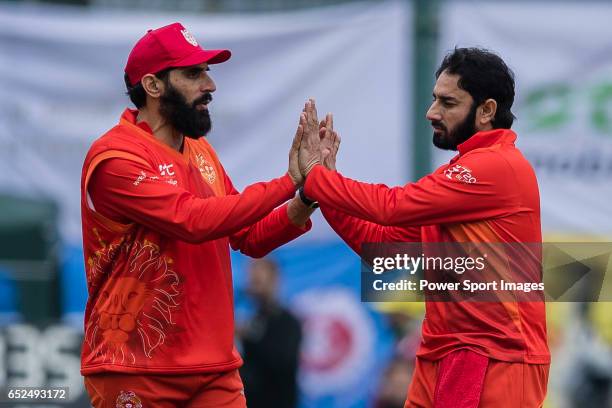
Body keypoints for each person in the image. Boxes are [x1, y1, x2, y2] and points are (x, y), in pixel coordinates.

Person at [80, 22, 316, 407]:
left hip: (215, 371)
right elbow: (192, 220)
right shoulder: (114, 156)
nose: (210, 85)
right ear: (153, 86)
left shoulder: (201, 151)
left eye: (207, 72)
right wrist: (288, 181)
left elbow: (250, 236)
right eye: (194, 73)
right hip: (135, 369)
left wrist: (305, 196)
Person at [297, 48, 550, 407]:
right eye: (434, 99)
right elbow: (382, 244)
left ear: (487, 110)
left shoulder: (495, 167)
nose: (432, 112)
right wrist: (327, 186)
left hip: (495, 357)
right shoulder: (461, 175)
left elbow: (391, 207)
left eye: (448, 102)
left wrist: (318, 180)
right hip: (442, 353)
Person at [238, 258, 302, 408]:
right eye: (252, 280)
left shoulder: (288, 322)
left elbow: (282, 363)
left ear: (274, 279)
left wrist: (249, 337)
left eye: (258, 280)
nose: (253, 284)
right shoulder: (251, 317)